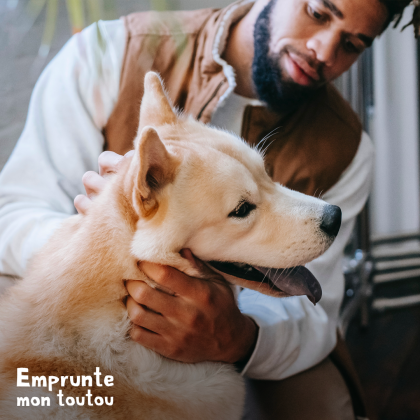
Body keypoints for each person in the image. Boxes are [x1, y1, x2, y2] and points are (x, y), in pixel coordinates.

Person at [0, 0, 417, 418]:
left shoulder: (347, 146)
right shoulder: (107, 52)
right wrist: (101, 232)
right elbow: (12, 211)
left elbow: (315, 318)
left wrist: (239, 337)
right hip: (77, 313)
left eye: (352, 44)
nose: (325, 51)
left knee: (326, 407)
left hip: (248, 331)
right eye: (318, 13)